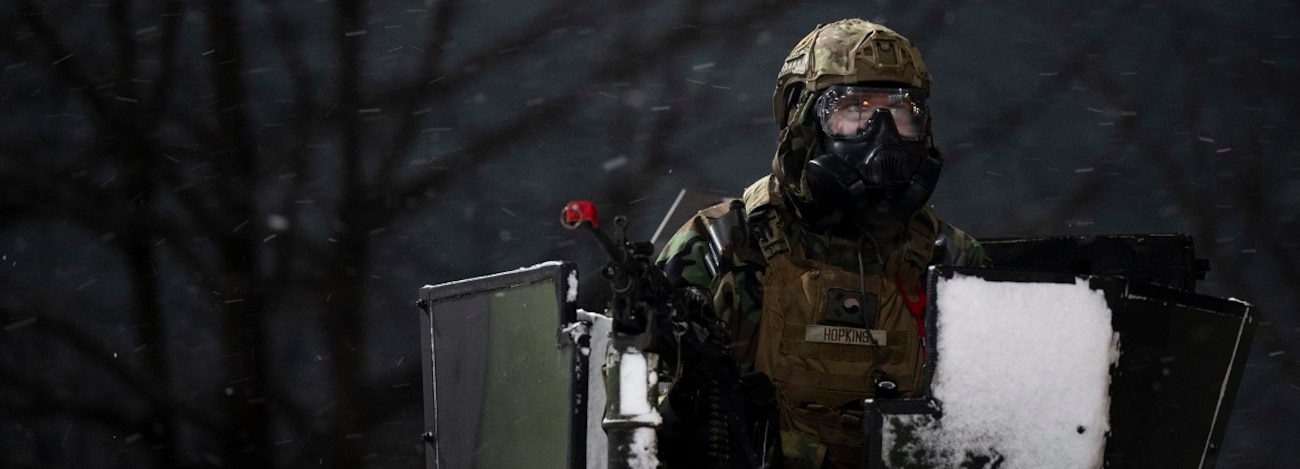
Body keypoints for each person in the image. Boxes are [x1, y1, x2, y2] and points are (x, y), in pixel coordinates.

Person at [656, 18, 988, 468]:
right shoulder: (721, 246)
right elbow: (638, 423)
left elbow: (995, 427)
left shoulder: (949, 261)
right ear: (803, 119)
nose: (882, 135)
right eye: (855, 110)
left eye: (902, 113)